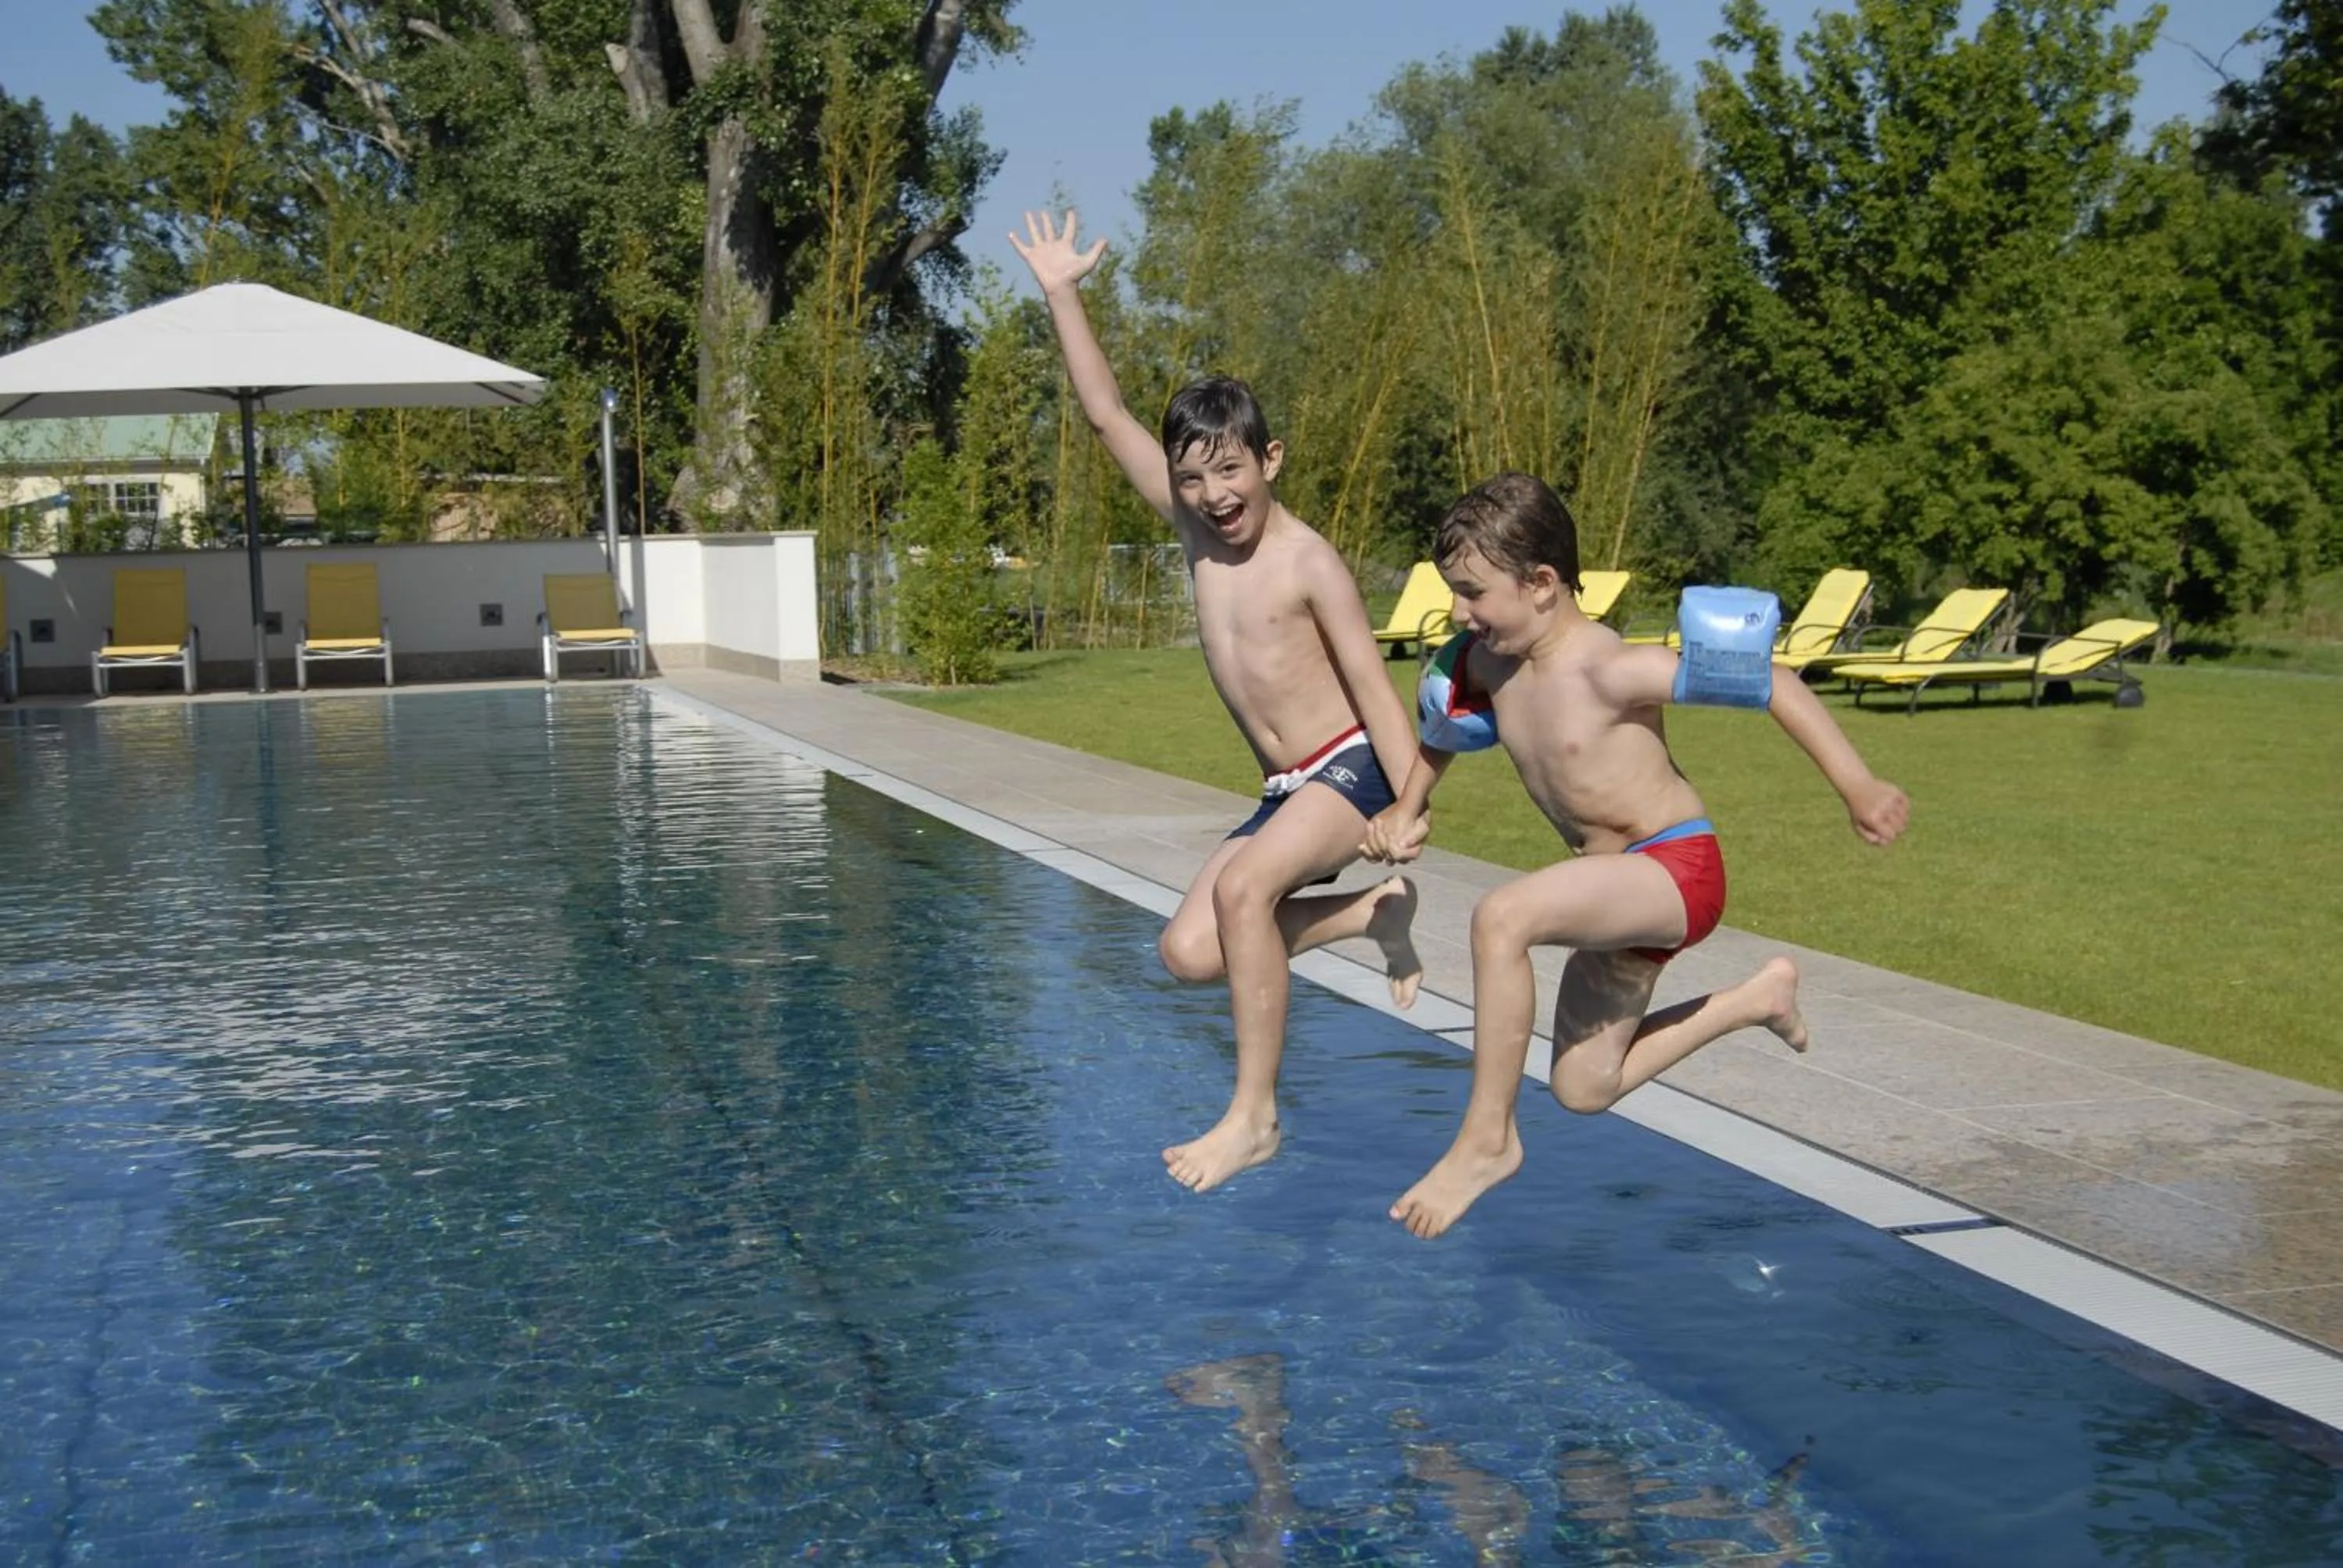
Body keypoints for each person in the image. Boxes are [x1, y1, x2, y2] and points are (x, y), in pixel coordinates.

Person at [1363, 472, 1909, 1238]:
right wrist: (1406, 804)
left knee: (1502, 918)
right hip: (1616, 894)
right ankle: (1758, 1000)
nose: (1460, 611)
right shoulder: (1488, 663)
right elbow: (1446, 728)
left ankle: (1486, 1140)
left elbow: (1773, 682)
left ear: (1543, 582)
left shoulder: (1612, 669)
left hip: (1676, 868)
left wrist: (1858, 785)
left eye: (1475, 592)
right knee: (1585, 1087)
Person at [1008, 208, 1424, 1193]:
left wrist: (1409, 802)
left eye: (1231, 470)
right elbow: (1108, 413)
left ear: (1269, 461)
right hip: (1286, 785)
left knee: (1244, 894)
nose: (1213, 494)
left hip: (1349, 770)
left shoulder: (1308, 560)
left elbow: (1373, 685)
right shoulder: (1196, 533)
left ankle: (1255, 1113)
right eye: (1192, 479)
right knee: (1189, 951)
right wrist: (1063, 292)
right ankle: (1371, 916)